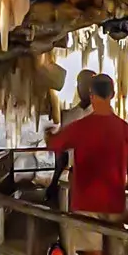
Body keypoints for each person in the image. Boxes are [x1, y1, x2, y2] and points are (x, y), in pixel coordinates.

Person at [44, 74, 128, 255]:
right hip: (116, 200)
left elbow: (55, 146)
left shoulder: (81, 127)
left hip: (86, 201)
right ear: (113, 94)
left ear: (92, 96)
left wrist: (48, 134)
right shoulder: (124, 129)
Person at [44, 69, 98, 210]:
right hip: (76, 175)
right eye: (81, 84)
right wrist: (54, 181)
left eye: (88, 84)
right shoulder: (69, 116)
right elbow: (62, 152)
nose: (83, 88)